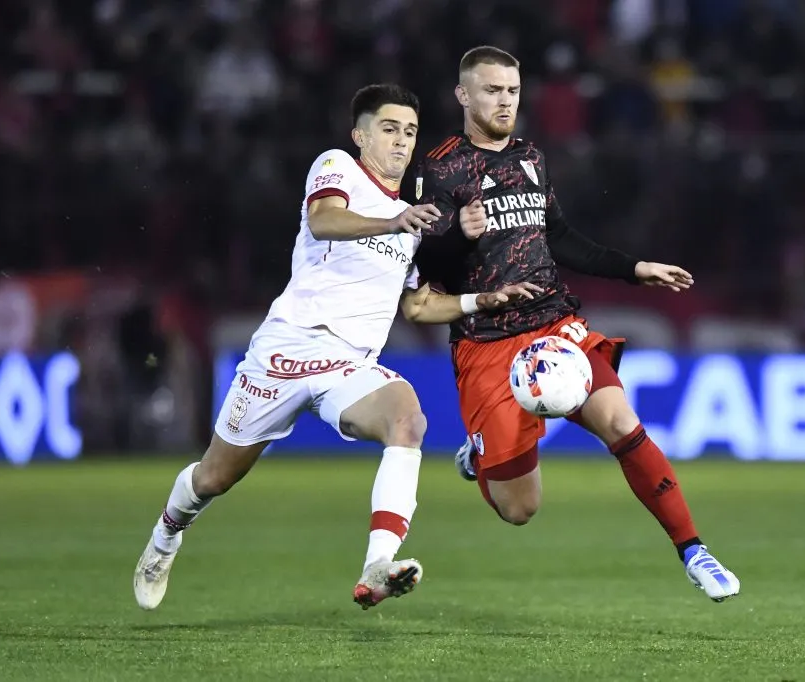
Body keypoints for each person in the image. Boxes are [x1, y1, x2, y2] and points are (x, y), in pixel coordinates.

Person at [133, 83, 542, 612]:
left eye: (410, 132)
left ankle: (378, 565)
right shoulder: (339, 169)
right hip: (286, 350)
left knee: (408, 420)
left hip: (348, 366)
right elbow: (322, 219)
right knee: (213, 477)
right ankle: (165, 538)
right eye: (389, 129)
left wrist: (479, 300)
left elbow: (417, 307)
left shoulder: (416, 217)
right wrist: (390, 221)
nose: (401, 142)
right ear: (360, 135)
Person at [415, 47, 740, 601]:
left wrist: (635, 269)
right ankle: (480, 455)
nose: (505, 101)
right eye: (492, 90)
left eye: (513, 90)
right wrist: (456, 238)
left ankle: (694, 550)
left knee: (620, 422)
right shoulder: (439, 168)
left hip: (553, 324)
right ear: (464, 95)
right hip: (487, 341)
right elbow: (426, 273)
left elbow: (559, 239)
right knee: (520, 509)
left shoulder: (531, 157)